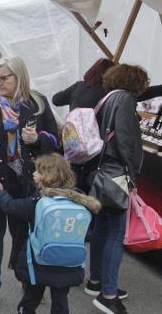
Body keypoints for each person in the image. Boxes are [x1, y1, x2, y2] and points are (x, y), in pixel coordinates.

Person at [0, 56, 59, 312]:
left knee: (23, 232)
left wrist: (37, 139)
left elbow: (54, 139)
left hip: (27, 181)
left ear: (18, 78)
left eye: (3, 78)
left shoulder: (37, 102)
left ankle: (26, 278)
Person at [0, 153, 101, 314]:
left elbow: (11, 206)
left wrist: (0, 192)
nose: (33, 174)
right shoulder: (79, 198)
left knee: (32, 298)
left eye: (37, 171)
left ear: (47, 176)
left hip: (40, 262)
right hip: (68, 263)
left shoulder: (38, 202)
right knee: (60, 302)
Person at [86, 64, 149, 314]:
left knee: (102, 228)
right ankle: (108, 295)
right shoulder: (124, 100)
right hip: (116, 174)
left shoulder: (108, 97)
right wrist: (132, 176)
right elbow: (124, 139)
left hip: (102, 172)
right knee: (115, 233)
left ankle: (96, 281)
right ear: (135, 82)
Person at [52, 58, 116, 191]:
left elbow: (56, 99)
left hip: (73, 145)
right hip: (95, 150)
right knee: (91, 188)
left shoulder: (78, 86)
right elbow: (139, 94)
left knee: (72, 184)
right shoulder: (111, 93)